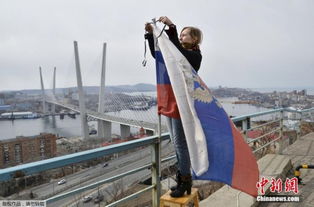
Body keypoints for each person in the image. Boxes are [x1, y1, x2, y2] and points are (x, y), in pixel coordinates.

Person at [144, 16, 203, 197]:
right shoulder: (174, 55)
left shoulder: (194, 56)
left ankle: (185, 180)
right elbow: (158, 56)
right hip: (168, 100)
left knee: (180, 144)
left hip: (180, 103)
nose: (182, 37)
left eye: (185, 35)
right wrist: (151, 35)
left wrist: (171, 26)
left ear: (194, 39)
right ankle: (182, 179)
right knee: (176, 144)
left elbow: (177, 49)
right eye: (181, 34)